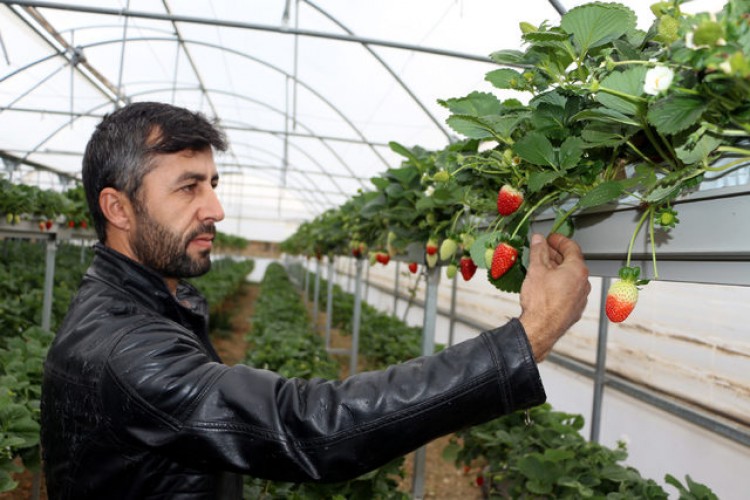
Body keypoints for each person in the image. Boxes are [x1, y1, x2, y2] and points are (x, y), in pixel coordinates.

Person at [40, 101, 591, 499]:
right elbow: (309, 427)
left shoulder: (137, 308)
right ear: (118, 208)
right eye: (189, 187)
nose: (215, 208)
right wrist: (529, 337)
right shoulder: (126, 348)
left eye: (213, 183)